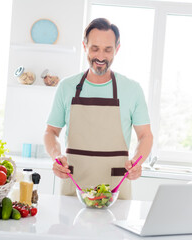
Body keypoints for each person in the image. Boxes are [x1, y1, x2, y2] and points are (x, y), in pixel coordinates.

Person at [44, 18, 153, 200]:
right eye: (95, 48)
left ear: (117, 49)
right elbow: (50, 132)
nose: (100, 56)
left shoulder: (132, 89)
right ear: (85, 46)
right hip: (74, 186)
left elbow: (146, 135)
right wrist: (56, 156)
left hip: (116, 189)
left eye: (107, 49)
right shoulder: (66, 86)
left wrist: (137, 161)